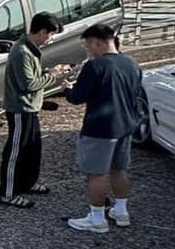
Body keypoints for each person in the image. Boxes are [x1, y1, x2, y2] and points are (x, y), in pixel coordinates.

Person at [62, 23, 144, 233]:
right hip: (125, 126)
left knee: (97, 174)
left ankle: (97, 219)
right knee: (119, 169)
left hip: (100, 128)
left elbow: (78, 97)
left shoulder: (95, 66)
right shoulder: (131, 64)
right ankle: (121, 211)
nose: (89, 51)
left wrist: (67, 90)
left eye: (89, 46)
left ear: (96, 42)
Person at [0, 12, 72, 208]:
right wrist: (53, 76)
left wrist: (48, 72)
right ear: (41, 32)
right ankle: (7, 193)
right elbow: (28, 84)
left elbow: (32, 76)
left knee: (32, 149)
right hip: (20, 108)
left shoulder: (31, 50)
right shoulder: (22, 51)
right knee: (16, 151)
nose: (51, 39)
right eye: (51, 34)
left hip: (31, 107)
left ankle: (28, 183)